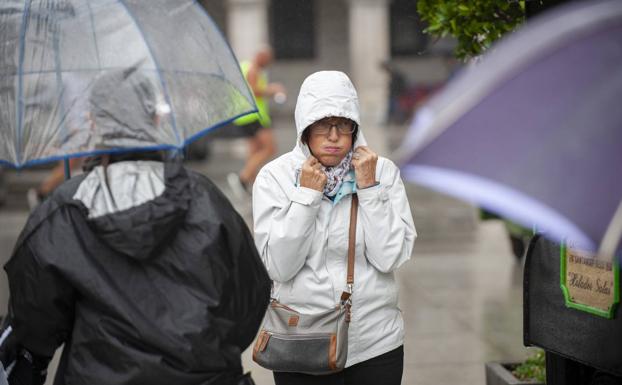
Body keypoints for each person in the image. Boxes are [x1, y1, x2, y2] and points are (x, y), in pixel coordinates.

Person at [0, 66, 270, 385]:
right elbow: (249, 297)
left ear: (93, 123)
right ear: (156, 120)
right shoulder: (207, 199)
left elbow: (33, 321)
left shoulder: (66, 208)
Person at [252, 71, 417, 385]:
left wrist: (369, 189)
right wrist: (306, 196)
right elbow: (279, 267)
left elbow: (390, 258)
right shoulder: (274, 177)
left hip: (374, 342)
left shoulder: (382, 172)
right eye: (322, 124)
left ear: (355, 127)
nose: (333, 136)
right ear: (305, 127)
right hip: (300, 339)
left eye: (343, 124)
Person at [227, 46, 285, 198]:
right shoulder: (253, 69)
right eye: (268, 58)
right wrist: (273, 89)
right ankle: (243, 178)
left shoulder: (244, 66)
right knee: (270, 148)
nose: (269, 62)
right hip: (254, 116)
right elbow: (255, 91)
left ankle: (252, 184)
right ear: (261, 56)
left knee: (254, 150)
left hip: (243, 115)